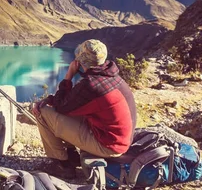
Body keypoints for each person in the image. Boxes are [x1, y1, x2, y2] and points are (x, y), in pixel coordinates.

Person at [32, 39, 137, 178]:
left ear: (81, 61)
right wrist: (51, 99)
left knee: (42, 111)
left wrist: (69, 75)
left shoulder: (91, 85)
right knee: (63, 111)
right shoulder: (110, 75)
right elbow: (72, 102)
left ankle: (62, 165)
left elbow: (62, 106)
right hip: (120, 139)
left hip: (109, 146)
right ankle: (71, 156)